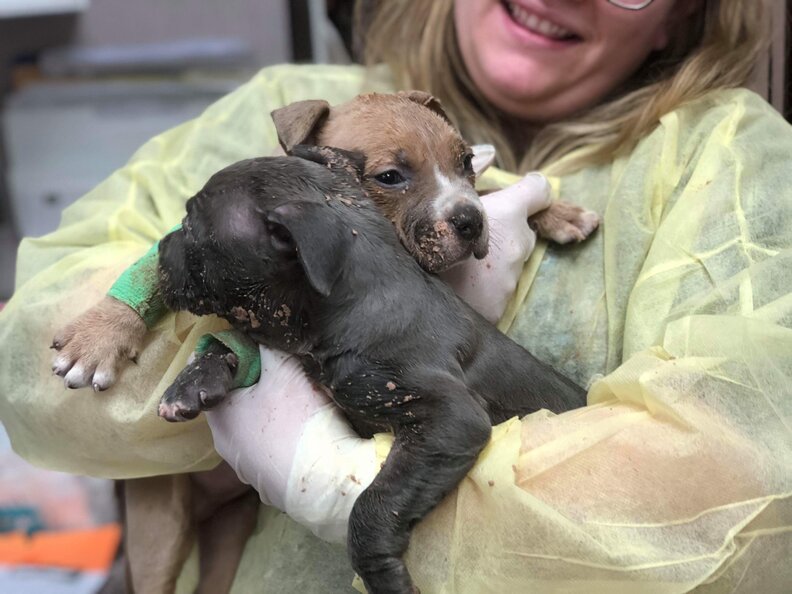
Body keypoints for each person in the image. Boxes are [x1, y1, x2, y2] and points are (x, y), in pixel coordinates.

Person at [0, 0, 789, 592]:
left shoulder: (725, 162)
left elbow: (741, 489)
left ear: (683, 18)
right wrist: (245, 385)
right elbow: (49, 352)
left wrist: (334, 482)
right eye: (387, 178)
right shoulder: (300, 114)